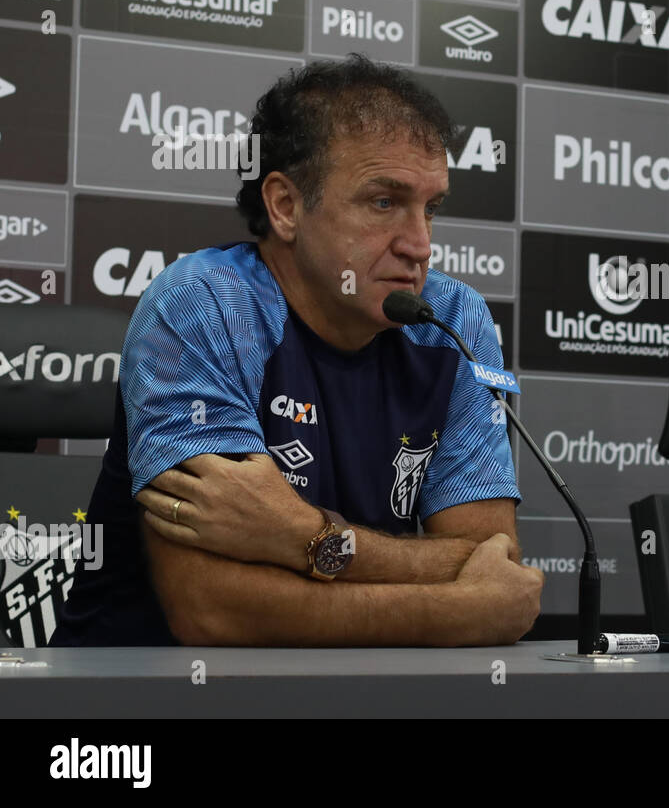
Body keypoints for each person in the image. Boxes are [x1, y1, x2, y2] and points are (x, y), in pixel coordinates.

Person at [53, 55, 543, 647]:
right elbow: (214, 611)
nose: (419, 245)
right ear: (286, 206)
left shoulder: (451, 319)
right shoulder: (202, 305)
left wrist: (302, 536)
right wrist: (456, 612)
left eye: (430, 208)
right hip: (147, 701)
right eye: (384, 202)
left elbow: (494, 557)